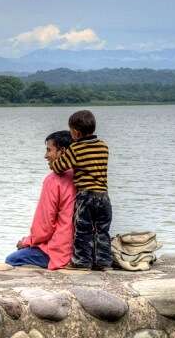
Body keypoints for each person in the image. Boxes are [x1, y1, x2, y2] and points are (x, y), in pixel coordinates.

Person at [49, 110, 112, 270]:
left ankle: (82, 262)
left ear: (76, 132)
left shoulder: (76, 148)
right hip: (103, 195)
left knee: (83, 229)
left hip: (85, 195)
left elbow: (59, 167)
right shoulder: (103, 146)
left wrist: (53, 163)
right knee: (102, 230)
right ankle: (103, 262)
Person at [5, 131, 76, 270]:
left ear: (63, 151)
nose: (46, 155)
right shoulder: (83, 177)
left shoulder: (53, 180)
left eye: (49, 150)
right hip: (83, 250)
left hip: (61, 252)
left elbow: (44, 228)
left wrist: (27, 241)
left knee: (12, 259)